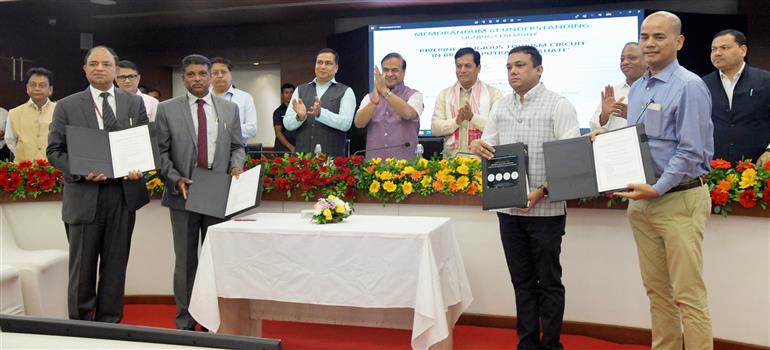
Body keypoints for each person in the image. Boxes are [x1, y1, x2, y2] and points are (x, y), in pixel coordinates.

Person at [611, 11, 714, 350]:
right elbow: (637, 143)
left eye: (659, 37)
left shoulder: (689, 86)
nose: (650, 44)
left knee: (688, 296)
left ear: (679, 42)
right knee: (657, 292)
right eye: (645, 37)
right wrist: (603, 145)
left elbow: (690, 151)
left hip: (678, 201)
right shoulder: (639, 88)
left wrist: (657, 187)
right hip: (642, 204)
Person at [471, 46, 580, 350]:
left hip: (547, 211)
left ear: (539, 70)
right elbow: (490, 145)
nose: (513, 72)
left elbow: (570, 159)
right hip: (509, 209)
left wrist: (542, 190)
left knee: (549, 283)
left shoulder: (559, 105)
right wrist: (481, 147)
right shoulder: (501, 106)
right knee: (521, 283)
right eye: (508, 67)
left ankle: (552, 345)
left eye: (520, 65)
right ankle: (527, 343)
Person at [47, 45, 149, 322]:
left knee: (116, 267)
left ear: (116, 70)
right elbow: (55, 151)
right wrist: (79, 171)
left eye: (106, 64)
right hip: (84, 196)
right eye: (94, 64)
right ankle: (80, 327)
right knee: (82, 270)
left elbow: (143, 143)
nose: (100, 68)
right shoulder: (67, 106)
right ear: (85, 69)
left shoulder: (134, 104)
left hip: (123, 195)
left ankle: (110, 325)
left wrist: (141, 168)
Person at [155, 54, 245, 330]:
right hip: (183, 193)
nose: (197, 79)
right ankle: (185, 320)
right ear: (183, 79)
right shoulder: (167, 109)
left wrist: (236, 165)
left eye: (202, 74)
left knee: (214, 260)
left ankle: (211, 320)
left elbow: (238, 146)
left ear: (211, 76)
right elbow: (160, 152)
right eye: (191, 74)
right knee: (185, 262)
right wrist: (174, 178)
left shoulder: (229, 109)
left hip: (217, 193)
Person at [702, 29, 770, 164]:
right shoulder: (702, 83)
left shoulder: (765, 80)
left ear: (742, 50)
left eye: (724, 48)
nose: (717, 53)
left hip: (757, 165)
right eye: (713, 49)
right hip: (715, 166)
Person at [283, 48, 356, 156]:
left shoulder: (346, 91)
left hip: (332, 161)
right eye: (319, 62)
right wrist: (300, 117)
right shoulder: (300, 90)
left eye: (328, 63)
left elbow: (346, 124)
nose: (322, 66)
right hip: (302, 160)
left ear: (336, 68)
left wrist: (321, 113)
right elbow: (287, 124)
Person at [432, 47, 502, 157]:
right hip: (451, 164)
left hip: (482, 161)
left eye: (467, 66)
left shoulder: (493, 94)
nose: (462, 70)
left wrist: (472, 117)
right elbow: (435, 128)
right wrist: (457, 121)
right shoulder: (444, 95)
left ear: (478, 68)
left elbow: (498, 127)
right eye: (459, 66)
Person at [354, 52, 423, 160]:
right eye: (385, 70)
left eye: (394, 70)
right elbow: (359, 123)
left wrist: (385, 92)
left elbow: (408, 114)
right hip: (375, 166)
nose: (389, 74)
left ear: (403, 72)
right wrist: (373, 102)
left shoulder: (414, 95)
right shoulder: (370, 97)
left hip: (405, 167)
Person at [589, 42, 648, 131]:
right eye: (622, 59)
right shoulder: (613, 93)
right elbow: (593, 128)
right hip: (613, 144)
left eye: (632, 58)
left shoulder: (656, 89)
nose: (625, 62)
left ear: (647, 61)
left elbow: (661, 127)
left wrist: (633, 116)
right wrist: (604, 116)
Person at [6, 68, 56, 162]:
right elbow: (10, 141)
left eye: (42, 85)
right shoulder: (14, 113)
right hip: (24, 170)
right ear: (27, 88)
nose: (37, 88)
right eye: (33, 85)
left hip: (53, 169)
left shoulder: (60, 111)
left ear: (50, 90)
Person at [210, 57, 258, 146]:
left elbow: (252, 130)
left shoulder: (245, 97)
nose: (219, 75)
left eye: (223, 72)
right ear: (210, 76)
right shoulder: (203, 98)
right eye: (215, 73)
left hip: (236, 151)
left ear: (230, 74)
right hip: (207, 151)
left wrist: (226, 127)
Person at [272, 83, 296, 153]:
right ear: (282, 95)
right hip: (283, 149)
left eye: (291, 92)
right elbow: (278, 132)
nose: (289, 95)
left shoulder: (299, 109)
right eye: (286, 93)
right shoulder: (278, 112)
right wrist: (290, 147)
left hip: (298, 148)